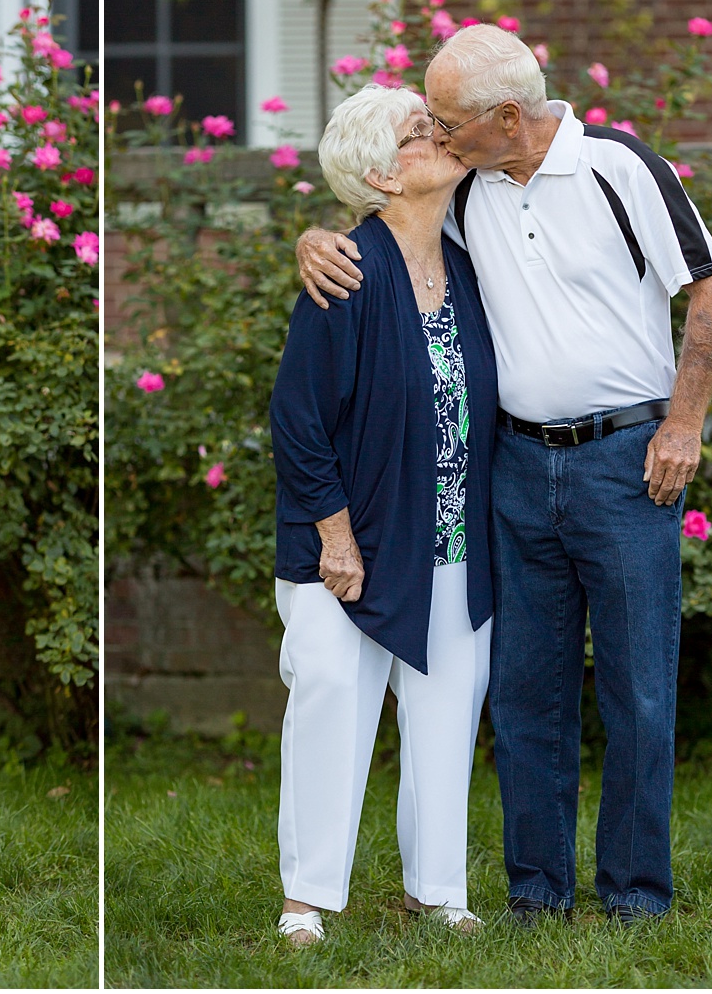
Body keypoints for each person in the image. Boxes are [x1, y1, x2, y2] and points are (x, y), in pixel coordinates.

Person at [295, 24, 712, 926]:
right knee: (527, 692)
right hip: (516, 468)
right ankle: (536, 892)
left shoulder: (619, 167)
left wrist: (684, 423)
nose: (441, 136)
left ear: (505, 115)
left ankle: (635, 896)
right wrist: (313, 238)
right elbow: (389, 228)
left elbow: (711, 285)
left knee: (639, 688)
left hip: (627, 462)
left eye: (449, 121)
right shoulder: (469, 190)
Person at [270, 83, 499, 945]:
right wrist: (336, 538)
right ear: (382, 174)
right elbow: (297, 420)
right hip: (352, 545)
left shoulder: (469, 260)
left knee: (448, 708)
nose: (439, 138)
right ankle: (307, 899)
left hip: (450, 541)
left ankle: (437, 890)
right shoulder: (346, 270)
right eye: (418, 133)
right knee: (331, 696)